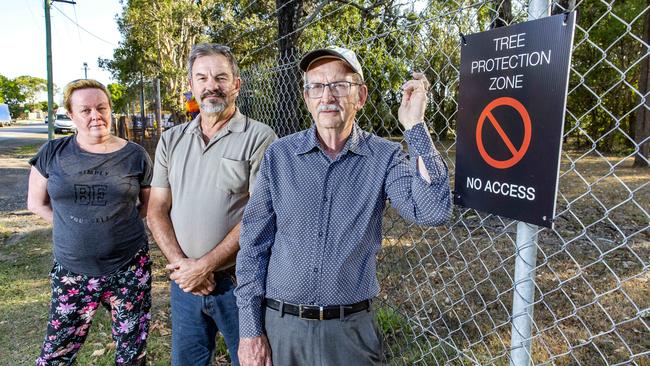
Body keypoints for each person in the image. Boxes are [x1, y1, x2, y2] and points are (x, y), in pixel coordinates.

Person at [235, 46, 452, 366]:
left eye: (340, 85)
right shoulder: (279, 157)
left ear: (360, 96)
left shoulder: (384, 157)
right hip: (283, 330)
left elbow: (433, 210)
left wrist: (415, 126)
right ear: (307, 97)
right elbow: (254, 247)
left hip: (350, 334)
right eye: (317, 86)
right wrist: (250, 332)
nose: (328, 96)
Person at [147, 43, 277, 366]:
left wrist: (205, 264)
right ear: (191, 85)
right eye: (202, 77)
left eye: (221, 77)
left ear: (236, 85)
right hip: (185, 285)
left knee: (252, 362)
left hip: (240, 284)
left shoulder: (259, 137)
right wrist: (184, 268)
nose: (211, 86)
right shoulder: (171, 140)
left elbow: (260, 217)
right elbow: (156, 210)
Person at [28, 79, 153, 366]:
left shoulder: (135, 155)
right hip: (73, 269)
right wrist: (73, 224)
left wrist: (112, 224)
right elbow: (36, 203)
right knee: (57, 353)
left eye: (101, 107)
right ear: (71, 115)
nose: (95, 115)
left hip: (129, 267)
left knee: (132, 351)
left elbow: (148, 206)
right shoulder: (52, 153)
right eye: (85, 110)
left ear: (111, 110)